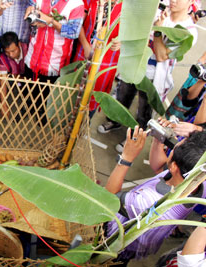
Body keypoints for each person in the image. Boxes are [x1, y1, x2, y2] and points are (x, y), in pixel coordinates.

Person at [98, 0, 198, 152]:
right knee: (122, 96)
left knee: (144, 110)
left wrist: (157, 29)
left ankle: (134, 137)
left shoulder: (189, 31)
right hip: (134, 65)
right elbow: (138, 34)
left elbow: (161, 56)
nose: (173, 1)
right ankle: (115, 121)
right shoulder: (157, 13)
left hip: (153, 76)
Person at [105, 126, 206, 265]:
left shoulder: (148, 202)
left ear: (175, 166)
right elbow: (160, 167)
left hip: (117, 240)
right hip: (145, 239)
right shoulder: (198, 182)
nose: (177, 141)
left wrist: (126, 158)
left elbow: (109, 198)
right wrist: (159, 141)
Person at [75, 0, 122, 117]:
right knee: (73, 93)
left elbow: (135, 34)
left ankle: (84, 125)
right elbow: (78, 22)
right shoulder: (91, 2)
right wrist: (86, 45)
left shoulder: (128, 6)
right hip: (83, 54)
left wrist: (122, 42)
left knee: (91, 101)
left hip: (105, 63)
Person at [23, 0, 84, 83]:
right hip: (32, 58)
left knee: (48, 94)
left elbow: (73, 32)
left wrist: (51, 22)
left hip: (54, 65)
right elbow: (31, 7)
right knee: (28, 93)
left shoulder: (76, 4)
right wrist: (30, 10)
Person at [0, 31, 28, 117]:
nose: (11, 55)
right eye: (7, 52)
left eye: (13, 51)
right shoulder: (3, 58)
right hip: (14, 77)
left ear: (19, 44)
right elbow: (3, 80)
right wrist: (3, 105)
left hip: (29, 78)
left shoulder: (29, 49)